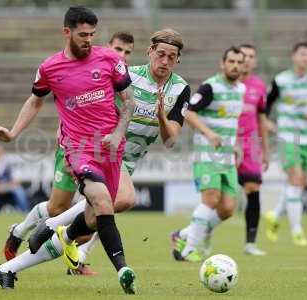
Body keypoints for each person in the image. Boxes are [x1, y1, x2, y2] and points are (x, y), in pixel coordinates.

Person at [0, 6, 136, 293]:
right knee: (103, 203)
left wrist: (119, 133)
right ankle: (123, 271)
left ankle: (9, 267)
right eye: (83, 34)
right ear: (66, 32)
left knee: (92, 220)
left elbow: (128, 101)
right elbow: (35, 101)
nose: (88, 40)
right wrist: (13, 133)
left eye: (92, 34)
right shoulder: (50, 68)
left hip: (111, 150)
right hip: (78, 149)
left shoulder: (109, 59)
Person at [27, 28, 190, 275]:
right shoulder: (128, 77)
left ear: (178, 59)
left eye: (171, 56)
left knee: (96, 216)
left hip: (131, 158)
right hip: (105, 148)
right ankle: (57, 229)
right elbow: (87, 104)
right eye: (161, 54)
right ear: (150, 52)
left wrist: (161, 117)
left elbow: (170, 140)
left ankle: (41, 245)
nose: (165, 61)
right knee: (123, 199)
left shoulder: (180, 90)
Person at [171, 46, 246, 262]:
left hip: (227, 157)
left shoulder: (240, 90)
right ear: (222, 64)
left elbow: (230, 122)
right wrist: (209, 134)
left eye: (239, 62)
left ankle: (183, 235)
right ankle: (189, 249)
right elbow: (188, 113)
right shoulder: (210, 87)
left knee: (228, 209)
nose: (235, 65)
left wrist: (234, 145)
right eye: (230, 61)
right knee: (211, 200)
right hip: (207, 155)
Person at [264, 41, 307, 246]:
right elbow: (266, 103)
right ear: (293, 56)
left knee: (300, 183)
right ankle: (297, 230)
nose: (306, 58)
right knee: (295, 179)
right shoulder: (281, 80)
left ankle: (274, 215)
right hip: (288, 136)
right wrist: (266, 121)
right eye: (302, 54)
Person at [237, 44, 269, 256]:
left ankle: (250, 243)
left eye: (251, 56)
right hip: (226, 143)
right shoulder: (225, 84)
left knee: (253, 190)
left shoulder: (259, 86)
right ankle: (195, 237)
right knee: (219, 200)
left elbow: (261, 119)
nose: (247, 59)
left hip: (251, 145)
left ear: (255, 61)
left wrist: (265, 149)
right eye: (243, 56)